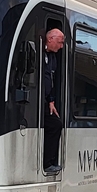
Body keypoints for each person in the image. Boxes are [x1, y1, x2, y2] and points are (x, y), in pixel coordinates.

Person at [42, 28, 65, 175]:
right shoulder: (38, 53)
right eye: (60, 42)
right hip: (36, 100)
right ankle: (46, 162)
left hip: (46, 101)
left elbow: (51, 80)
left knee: (56, 124)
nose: (61, 46)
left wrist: (51, 100)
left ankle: (49, 161)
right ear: (50, 39)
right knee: (55, 125)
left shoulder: (52, 58)